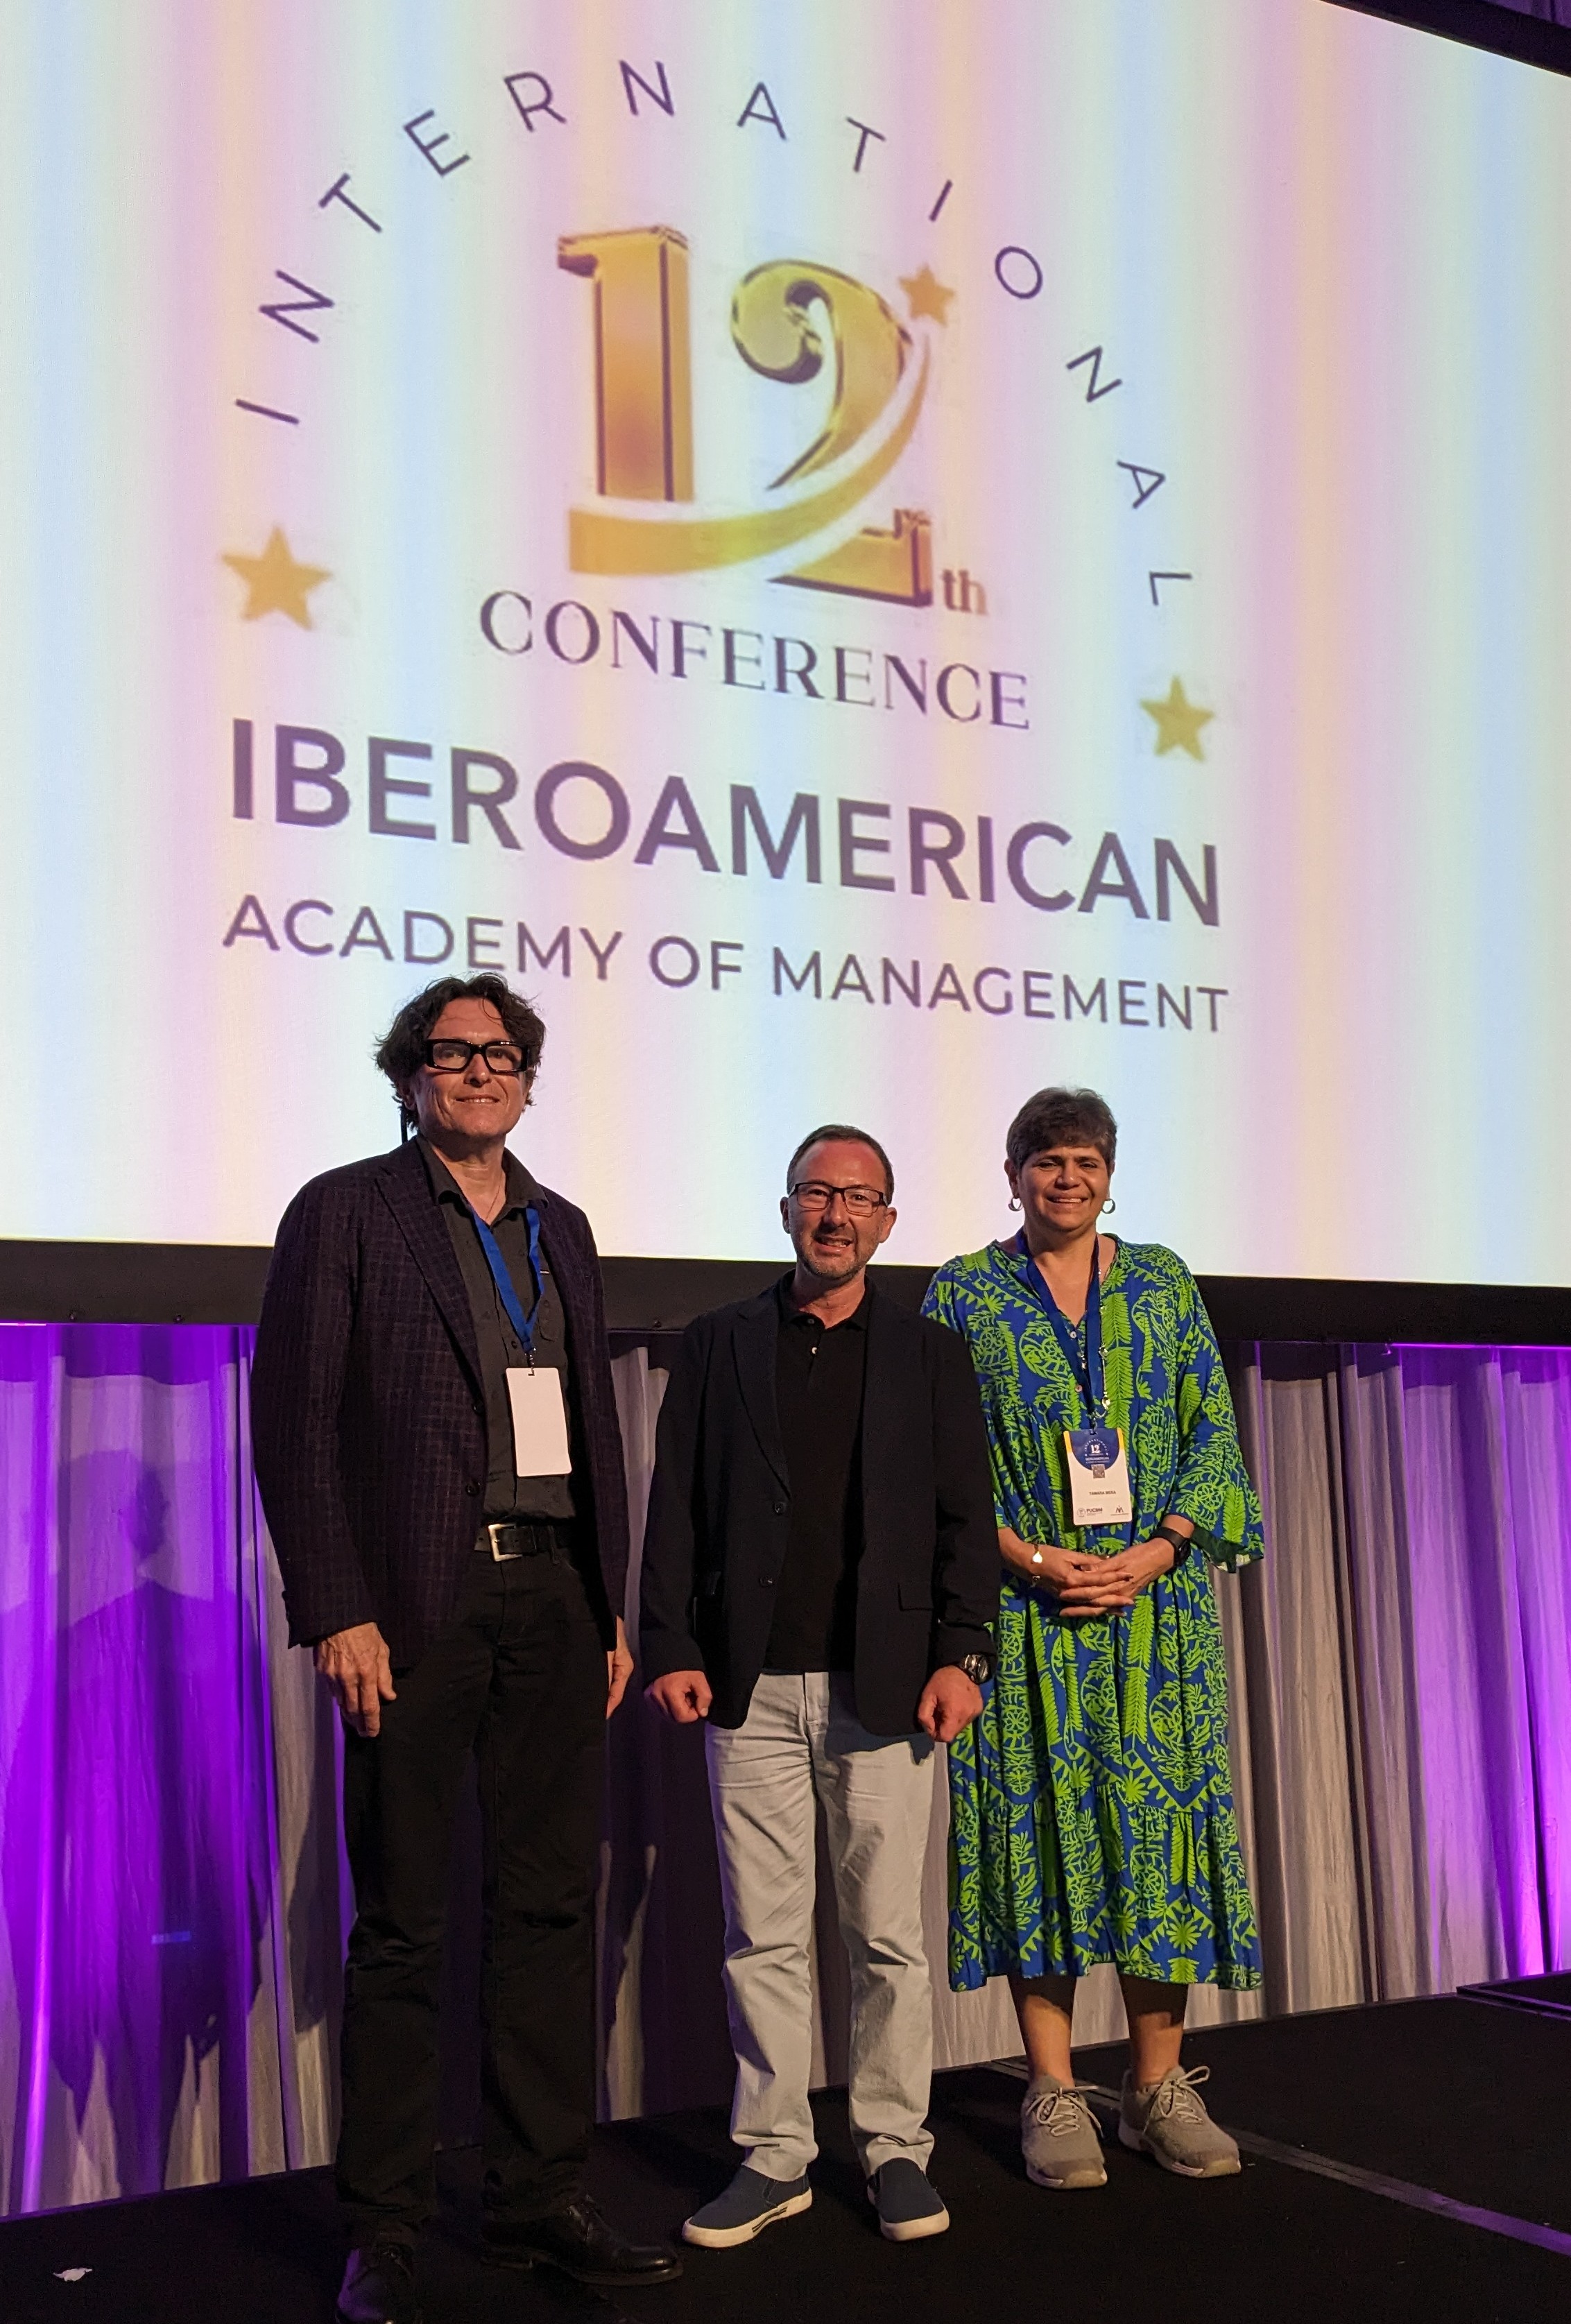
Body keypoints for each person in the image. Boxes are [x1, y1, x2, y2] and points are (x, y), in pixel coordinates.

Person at [250, 974, 680, 2324]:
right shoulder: (347, 1210)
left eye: (499, 1053)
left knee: (548, 1912)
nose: (478, 1070)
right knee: (402, 1928)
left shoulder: (561, 1223)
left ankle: (534, 2195)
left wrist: (606, 1603)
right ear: (411, 1072)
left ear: (526, 1075)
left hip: (553, 1602)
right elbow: (297, 1419)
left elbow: (593, 1428)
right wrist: (335, 1605)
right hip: (413, 1613)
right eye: (453, 1052)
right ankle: (381, 2224)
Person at [640, 1125, 1000, 2249]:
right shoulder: (716, 1343)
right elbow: (677, 1510)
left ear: (888, 1221)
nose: (834, 1214)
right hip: (748, 1687)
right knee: (765, 1939)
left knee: (888, 1937)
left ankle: (895, 2148)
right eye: (815, 1193)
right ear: (785, 1209)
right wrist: (668, 1642)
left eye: (859, 1198)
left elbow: (961, 1521)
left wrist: (963, 1652)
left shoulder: (931, 1354)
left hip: (887, 1688)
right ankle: (775, 2155)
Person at [922, 1086, 1263, 2191]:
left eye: (1082, 1161)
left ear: (1109, 1174)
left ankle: (1154, 2087)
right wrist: (1028, 1559)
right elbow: (938, 1463)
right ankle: (1054, 2089)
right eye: (1043, 1162)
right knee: (1042, 1847)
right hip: (1027, 1617)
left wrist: (1161, 1548)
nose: (1063, 1179)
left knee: (1156, 1842)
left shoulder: (1161, 1280)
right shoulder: (962, 1293)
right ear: (1010, 1173)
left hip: (1152, 1616)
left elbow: (1210, 1420)